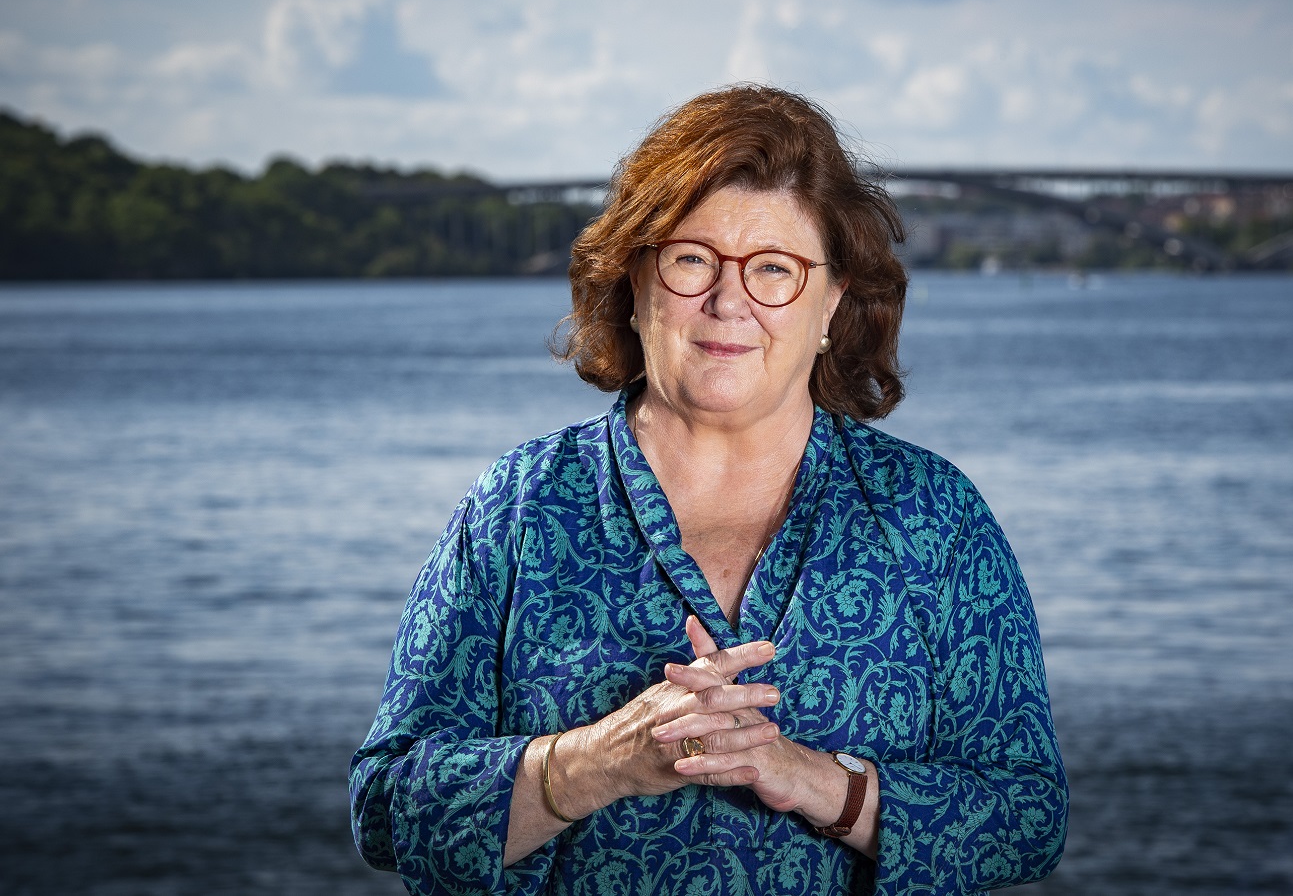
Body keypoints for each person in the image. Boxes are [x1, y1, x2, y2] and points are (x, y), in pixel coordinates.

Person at [350, 84, 1067, 895]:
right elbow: (385, 808)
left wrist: (818, 781)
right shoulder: (515, 509)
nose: (729, 301)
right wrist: (596, 762)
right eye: (693, 258)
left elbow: (1028, 816)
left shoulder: (934, 517)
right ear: (636, 279)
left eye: (774, 268)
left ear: (832, 301)